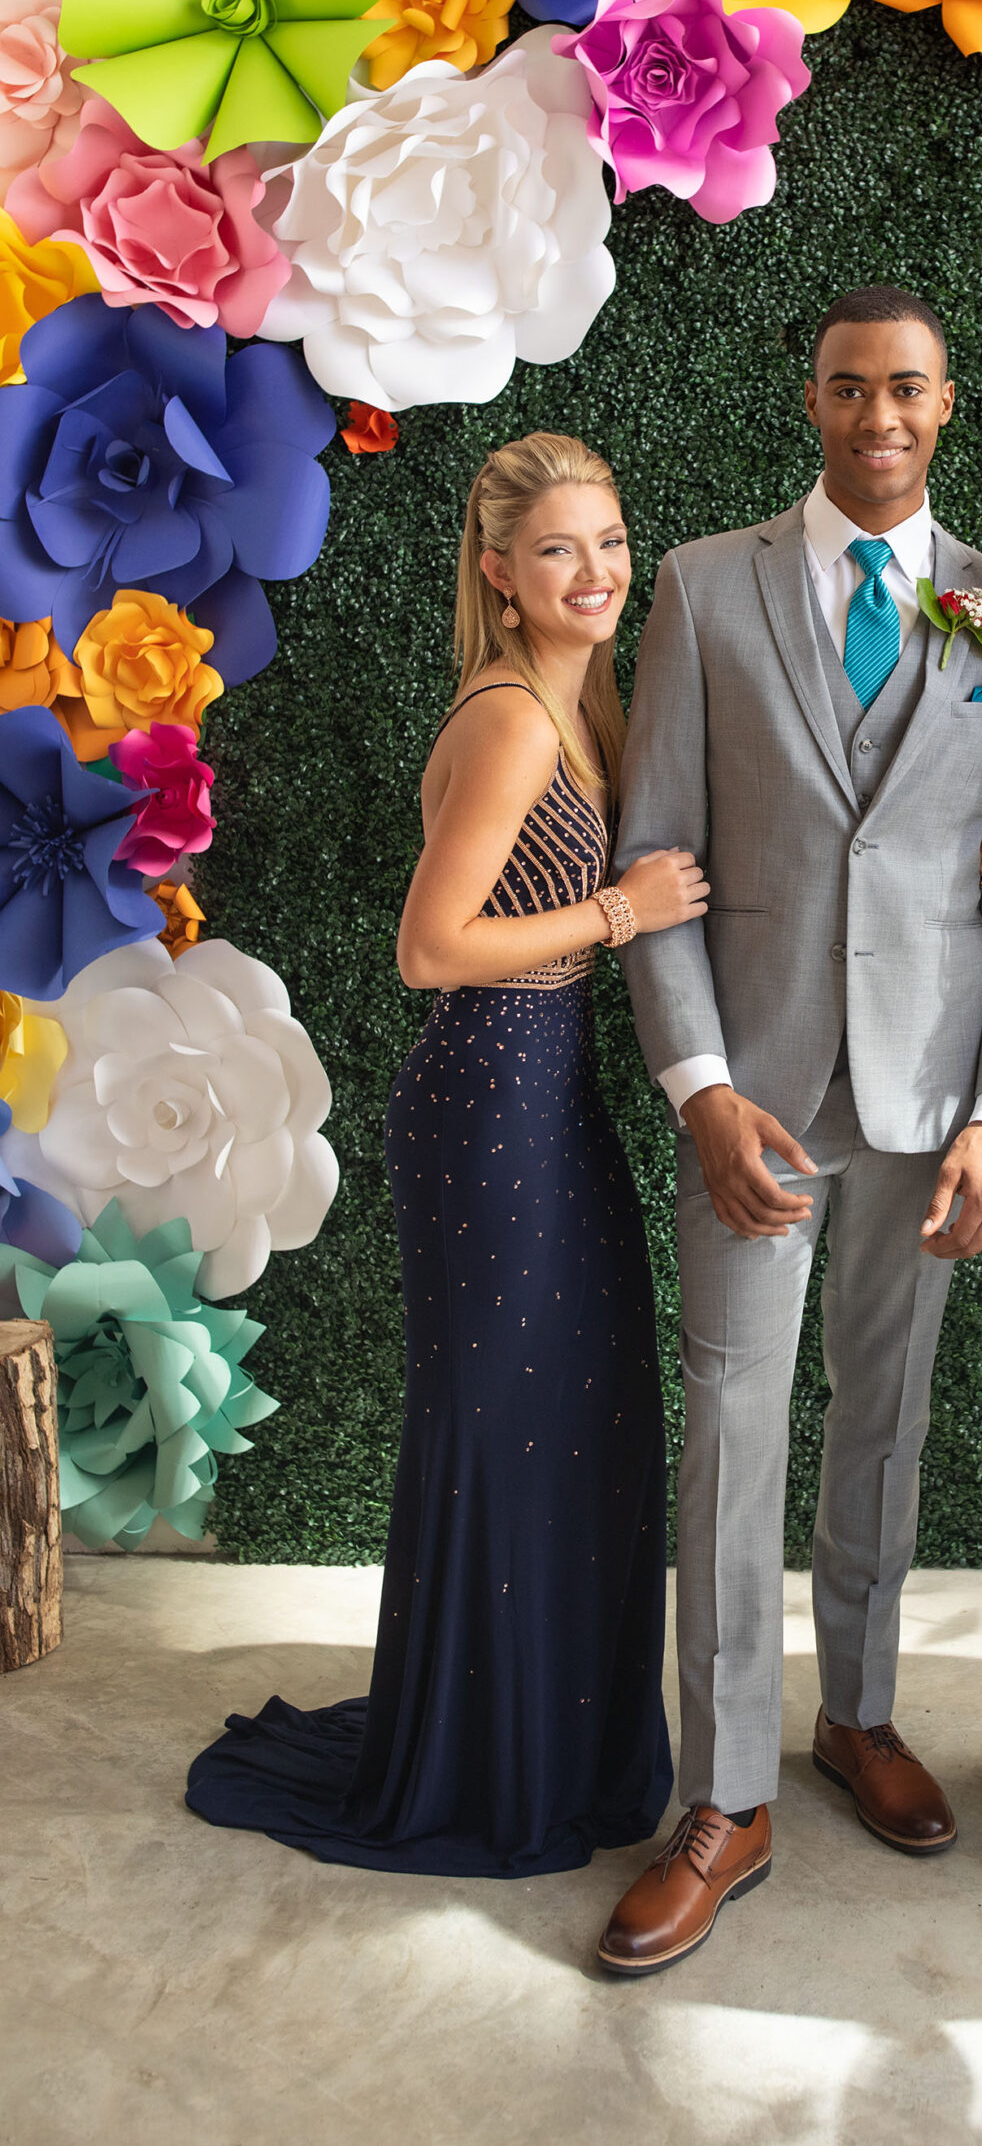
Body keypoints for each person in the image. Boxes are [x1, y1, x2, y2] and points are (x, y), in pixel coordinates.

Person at [595, 287, 982, 1975]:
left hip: (930, 1105)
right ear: (813, 399)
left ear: (948, 406)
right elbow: (651, 866)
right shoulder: (703, 589)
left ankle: (856, 1718)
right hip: (760, 1103)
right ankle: (725, 1798)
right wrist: (702, 1089)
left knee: (887, 1412)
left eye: (911, 389)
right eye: (853, 387)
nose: (881, 414)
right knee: (732, 1424)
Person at [186, 433, 707, 1876]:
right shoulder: (515, 721)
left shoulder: (582, 689)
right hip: (486, 1093)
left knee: (580, 1415)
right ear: (498, 571)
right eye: (559, 550)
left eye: (608, 542)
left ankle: (553, 1737)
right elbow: (431, 948)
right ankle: (485, 1761)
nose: (595, 572)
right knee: (502, 1426)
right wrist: (623, 913)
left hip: (548, 1091)